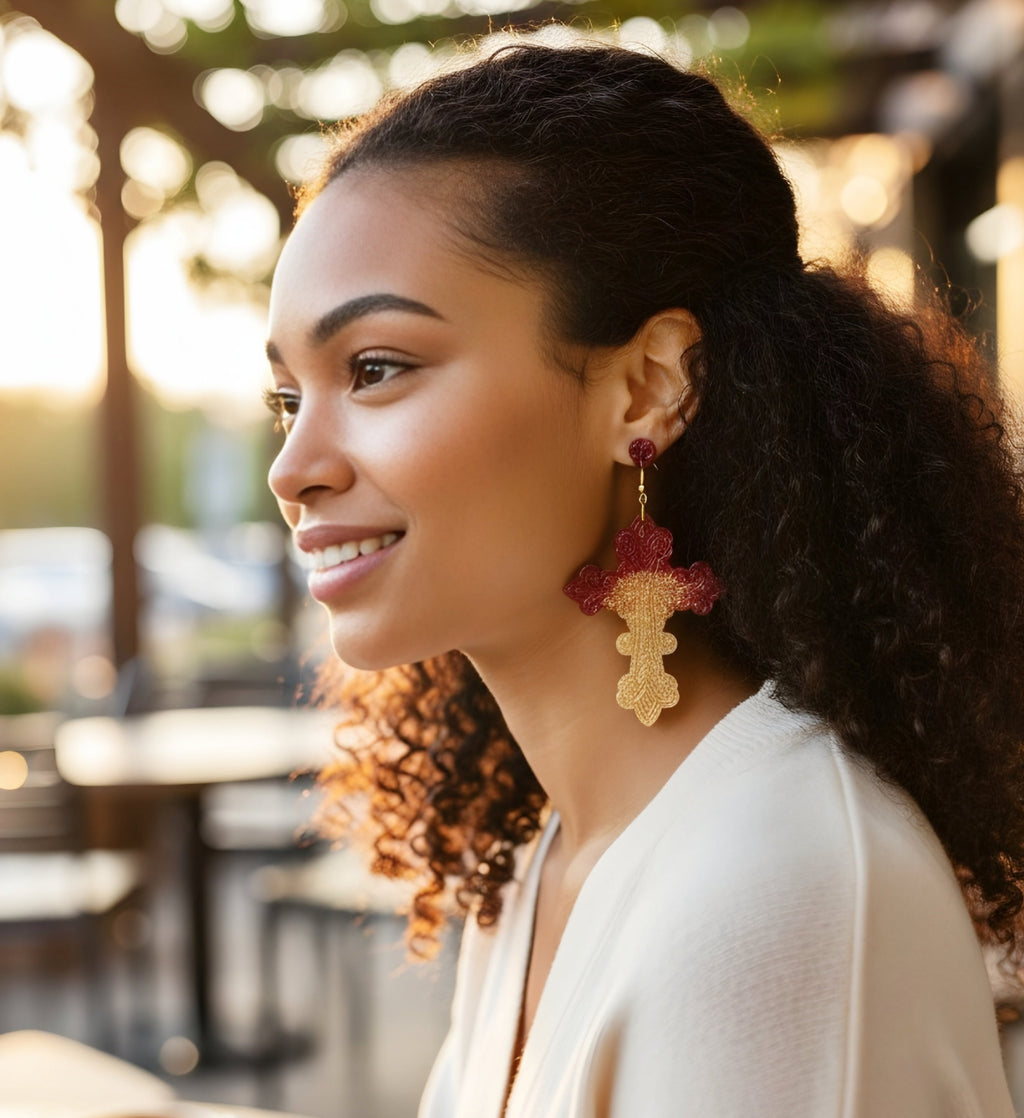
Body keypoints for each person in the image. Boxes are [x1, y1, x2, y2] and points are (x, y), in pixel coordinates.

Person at [263, 40, 1024, 1117]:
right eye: (287, 395)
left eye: (375, 368)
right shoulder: (554, 853)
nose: (294, 466)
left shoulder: (773, 888)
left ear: (646, 389)